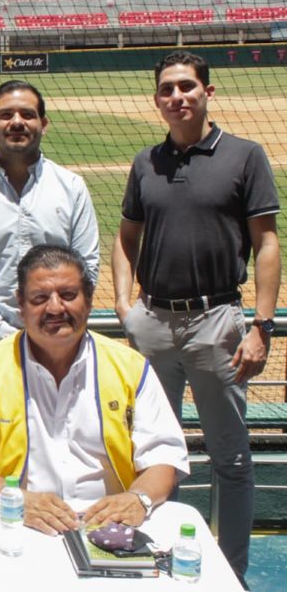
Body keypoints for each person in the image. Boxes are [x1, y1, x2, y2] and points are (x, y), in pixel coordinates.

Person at [112, 50, 279, 582]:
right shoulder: (146, 162)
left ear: (207, 92)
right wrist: (123, 303)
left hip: (217, 322)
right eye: (167, 89)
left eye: (186, 86)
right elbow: (126, 235)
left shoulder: (245, 156)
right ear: (157, 99)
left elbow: (267, 242)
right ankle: (162, 564)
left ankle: (228, 571)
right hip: (154, 323)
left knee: (230, 458)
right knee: (155, 456)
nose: (177, 96)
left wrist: (263, 325)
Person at [0, 245, 188, 536]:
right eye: (39, 298)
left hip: (108, 525)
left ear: (88, 301)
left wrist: (136, 499)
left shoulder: (130, 367)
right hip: (17, 521)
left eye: (68, 295)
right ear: (21, 305)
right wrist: (19, 501)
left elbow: (163, 456)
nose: (54, 308)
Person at [0, 80, 99, 361]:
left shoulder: (71, 187)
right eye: (6, 115)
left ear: (44, 123)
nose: (17, 122)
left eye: (27, 114)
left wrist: (54, 324)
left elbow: (87, 266)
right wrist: (1, 333)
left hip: (60, 338)